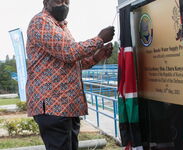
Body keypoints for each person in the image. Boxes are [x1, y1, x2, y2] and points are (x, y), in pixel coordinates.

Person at [25, 0, 115, 149]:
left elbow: (73, 62)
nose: (64, 5)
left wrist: (97, 57)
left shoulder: (61, 27)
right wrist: (99, 39)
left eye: (67, 1)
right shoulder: (40, 22)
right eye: (59, 1)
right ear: (46, 2)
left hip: (67, 106)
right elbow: (70, 52)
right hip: (53, 105)